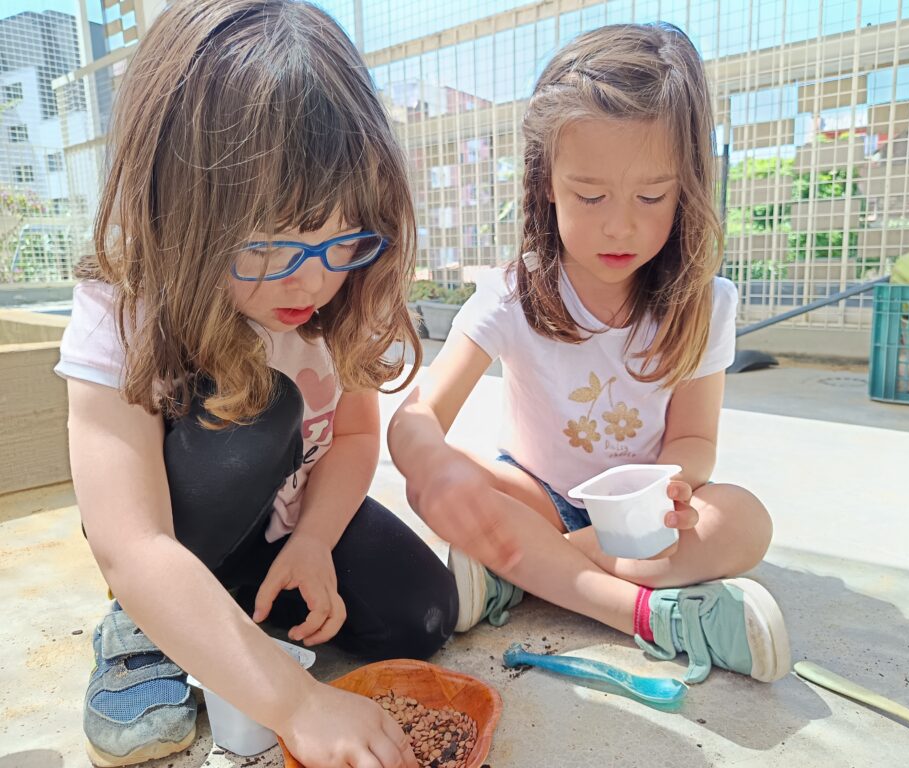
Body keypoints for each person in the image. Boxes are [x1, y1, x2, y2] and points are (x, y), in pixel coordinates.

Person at [56, 2, 455, 766]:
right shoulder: (126, 305)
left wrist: (313, 541)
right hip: (181, 535)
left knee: (423, 614)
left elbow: (356, 432)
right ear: (180, 212)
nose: (313, 281)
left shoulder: (344, 287)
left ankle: (236, 613)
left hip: (285, 522)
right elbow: (130, 541)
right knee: (268, 410)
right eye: (272, 247)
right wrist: (296, 702)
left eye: (341, 238)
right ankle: (146, 632)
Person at [388, 22, 790, 687]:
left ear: (686, 187)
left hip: (645, 512)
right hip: (536, 494)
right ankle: (652, 610)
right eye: (590, 195)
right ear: (546, 181)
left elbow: (694, 439)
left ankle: (521, 570)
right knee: (438, 480)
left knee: (744, 523)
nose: (620, 225)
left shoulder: (703, 301)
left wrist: (672, 487)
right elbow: (418, 415)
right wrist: (434, 463)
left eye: (652, 197)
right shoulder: (513, 294)